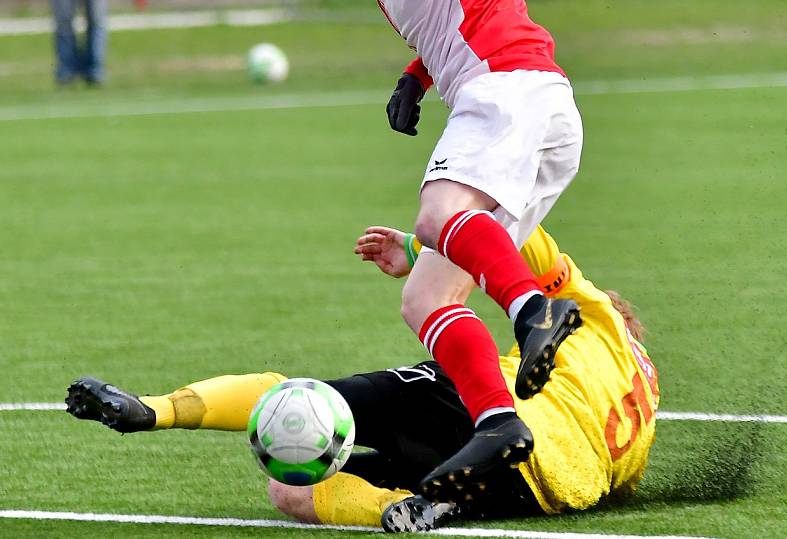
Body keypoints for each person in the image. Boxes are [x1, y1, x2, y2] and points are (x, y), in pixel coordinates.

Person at [271, 0, 584, 497]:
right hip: (533, 106)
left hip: (508, 89)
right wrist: (416, 78)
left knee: (437, 212)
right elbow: (454, 13)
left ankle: (536, 311)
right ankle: (499, 420)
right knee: (426, 294)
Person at [65, 225, 659, 533]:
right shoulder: (644, 411)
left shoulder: (592, 310)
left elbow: (504, 226)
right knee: (292, 488)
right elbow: (616, 489)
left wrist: (415, 243)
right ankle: (419, 506)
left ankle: (156, 409)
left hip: (487, 417)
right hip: (538, 492)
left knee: (305, 404)